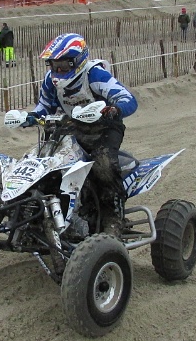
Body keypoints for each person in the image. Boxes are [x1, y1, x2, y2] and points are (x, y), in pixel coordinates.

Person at [21, 33, 138, 237]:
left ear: (77, 61)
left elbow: (128, 99)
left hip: (104, 129)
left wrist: (113, 110)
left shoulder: (94, 75)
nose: (58, 70)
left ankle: (114, 218)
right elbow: (44, 106)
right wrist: (31, 117)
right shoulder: (51, 80)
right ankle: (36, 213)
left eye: (63, 65)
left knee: (103, 165)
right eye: (53, 65)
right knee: (43, 163)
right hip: (71, 127)